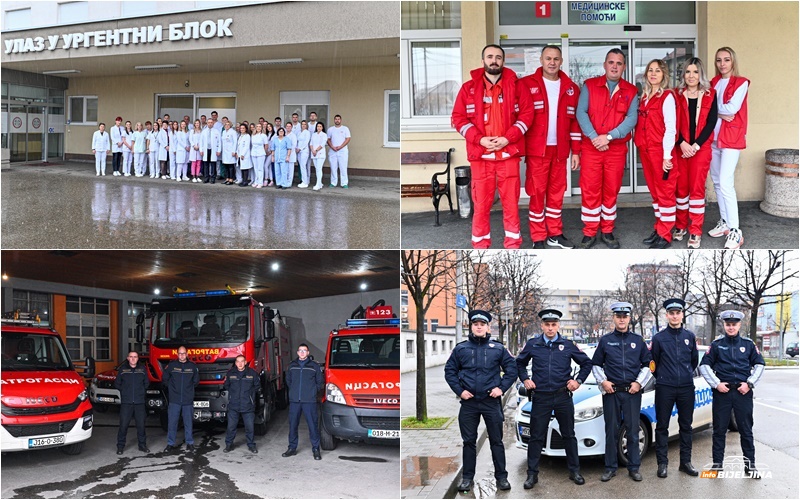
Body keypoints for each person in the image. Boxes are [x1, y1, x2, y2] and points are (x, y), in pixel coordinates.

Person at [451, 45, 533, 249]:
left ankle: (513, 246)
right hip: (482, 157)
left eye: (498, 57)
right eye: (490, 57)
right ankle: (480, 246)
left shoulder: (517, 86)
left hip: (508, 155)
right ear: (483, 61)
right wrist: (479, 140)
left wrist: (508, 138)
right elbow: (458, 119)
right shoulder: (468, 88)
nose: (494, 60)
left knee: (511, 205)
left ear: (503, 61)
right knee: (480, 206)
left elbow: (527, 114)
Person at [515, 308, 592, 488]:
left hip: (562, 396)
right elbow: (519, 363)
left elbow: (587, 363)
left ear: (558, 325)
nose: (550, 328)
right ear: (542, 325)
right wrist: (525, 379)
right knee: (536, 437)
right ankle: (532, 475)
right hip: (541, 397)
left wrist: (578, 380)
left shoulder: (568, 344)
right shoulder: (533, 344)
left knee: (569, 435)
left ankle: (574, 471)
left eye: (554, 324)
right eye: (547, 325)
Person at [444, 309, 517, 493]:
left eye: (482, 324)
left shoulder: (498, 348)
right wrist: (460, 391)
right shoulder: (461, 349)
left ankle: (501, 477)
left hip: (490, 402)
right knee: (469, 442)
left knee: (496, 441)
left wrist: (501, 388)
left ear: (487, 327)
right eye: (475, 324)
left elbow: (512, 370)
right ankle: (467, 478)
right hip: (469, 404)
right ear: (471, 326)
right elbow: (449, 371)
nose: (478, 327)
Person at [518, 45, 582, 249]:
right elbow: (518, 116)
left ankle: (555, 233)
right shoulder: (526, 84)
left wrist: (576, 151)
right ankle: (538, 236)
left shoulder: (571, 87)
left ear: (561, 61)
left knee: (556, 193)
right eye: (548, 58)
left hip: (560, 150)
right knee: (537, 194)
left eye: (556, 59)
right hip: (538, 150)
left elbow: (574, 122)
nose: (552, 62)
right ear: (541, 60)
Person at [576, 49, 639, 249]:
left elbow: (632, 119)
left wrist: (609, 137)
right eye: (611, 62)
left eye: (619, 63)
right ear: (604, 65)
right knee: (590, 189)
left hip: (615, 149)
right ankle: (589, 231)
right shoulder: (590, 85)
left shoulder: (631, 91)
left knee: (611, 189)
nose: (614, 66)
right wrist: (595, 137)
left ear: (624, 67)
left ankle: (607, 230)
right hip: (592, 147)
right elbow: (581, 112)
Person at [591, 301, 652, 482]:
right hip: (612, 393)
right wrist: (603, 381)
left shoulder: (638, 341)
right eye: (618, 316)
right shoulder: (606, 340)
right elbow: (595, 364)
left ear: (629, 318)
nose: (622, 319)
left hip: (632, 392)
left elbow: (648, 365)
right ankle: (610, 467)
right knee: (611, 430)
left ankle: (634, 467)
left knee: (633, 431)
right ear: (614, 318)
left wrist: (639, 383)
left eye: (625, 316)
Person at [699, 310, 765, 478]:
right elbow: (704, 365)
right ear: (723, 325)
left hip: (743, 393)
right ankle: (717, 466)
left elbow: (759, 364)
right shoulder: (716, 345)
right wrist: (716, 384)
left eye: (733, 324)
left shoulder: (748, 344)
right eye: (728, 324)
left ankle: (750, 467)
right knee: (719, 431)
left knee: (746, 430)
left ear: (739, 325)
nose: (730, 327)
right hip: (723, 393)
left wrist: (749, 384)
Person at [650, 298, 699, 478]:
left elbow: (694, 361)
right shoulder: (659, 338)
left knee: (686, 426)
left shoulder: (689, 337)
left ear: (682, 315)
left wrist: (684, 375)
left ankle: (685, 462)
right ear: (667, 315)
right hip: (665, 387)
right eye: (671, 313)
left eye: (678, 313)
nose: (675, 316)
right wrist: (664, 377)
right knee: (662, 426)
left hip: (686, 387)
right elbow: (653, 363)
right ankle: (662, 464)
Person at [674, 58, 718, 249]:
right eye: (688, 72)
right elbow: (671, 122)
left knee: (697, 190)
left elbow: (711, 122)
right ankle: (681, 225)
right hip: (681, 148)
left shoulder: (710, 94)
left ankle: (695, 229)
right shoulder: (676, 94)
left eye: (695, 72)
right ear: (683, 74)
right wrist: (682, 143)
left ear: (701, 74)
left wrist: (696, 145)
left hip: (700, 149)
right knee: (681, 189)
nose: (691, 76)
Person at [708, 47, 749, 249]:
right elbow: (707, 107)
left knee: (725, 182)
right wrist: (719, 113)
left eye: (726, 59)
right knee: (716, 181)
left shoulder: (741, 83)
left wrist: (717, 111)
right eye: (718, 60)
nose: (722, 64)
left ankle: (735, 230)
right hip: (713, 138)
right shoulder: (713, 83)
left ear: (733, 61)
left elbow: (733, 108)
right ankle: (724, 222)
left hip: (731, 138)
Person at [635, 59, 677, 249]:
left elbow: (670, 128)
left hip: (660, 152)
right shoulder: (644, 96)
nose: (653, 74)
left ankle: (666, 234)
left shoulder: (667, 97)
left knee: (665, 193)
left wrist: (667, 155)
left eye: (657, 71)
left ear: (663, 75)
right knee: (655, 193)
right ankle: (659, 228)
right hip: (645, 149)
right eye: (650, 70)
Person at [282, 343, 324, 460]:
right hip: (295, 401)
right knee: (293, 425)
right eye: (300, 350)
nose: (302, 352)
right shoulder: (292, 365)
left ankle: (316, 449)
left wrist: (312, 391)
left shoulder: (314, 366)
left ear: (308, 353)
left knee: (312, 425)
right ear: (297, 352)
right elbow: (288, 380)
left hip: (309, 401)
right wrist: (294, 391)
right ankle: (292, 448)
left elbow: (320, 382)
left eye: (304, 350)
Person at [162, 346, 199, 452]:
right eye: (180, 353)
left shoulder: (192, 366)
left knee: (188, 423)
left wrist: (188, 390)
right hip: (174, 400)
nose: (182, 355)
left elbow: (196, 381)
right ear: (177, 354)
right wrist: (171, 388)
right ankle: (170, 444)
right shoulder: (172, 365)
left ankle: (190, 443)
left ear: (187, 354)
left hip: (187, 400)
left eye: (183, 353)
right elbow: (165, 378)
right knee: (172, 423)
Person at [114, 351, 150, 454]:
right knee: (123, 425)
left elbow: (146, 383)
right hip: (127, 403)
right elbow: (117, 384)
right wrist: (125, 392)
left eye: (135, 357)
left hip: (140, 403)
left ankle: (142, 445)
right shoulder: (123, 369)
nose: (133, 359)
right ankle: (120, 447)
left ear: (138, 358)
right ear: (128, 358)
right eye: (131, 357)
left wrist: (141, 392)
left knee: (141, 425)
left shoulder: (142, 369)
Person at [223, 355, 259, 454]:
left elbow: (257, 386)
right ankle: (229, 445)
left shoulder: (252, 373)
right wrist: (233, 395)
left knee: (250, 427)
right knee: (231, 427)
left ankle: (251, 445)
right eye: (238, 361)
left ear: (246, 362)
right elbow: (226, 386)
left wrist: (249, 396)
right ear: (235, 363)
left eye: (242, 361)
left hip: (247, 406)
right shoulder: (231, 373)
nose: (240, 363)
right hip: (234, 405)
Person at [327, 114, 352, 188]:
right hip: (333, 151)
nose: (337, 120)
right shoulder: (330, 129)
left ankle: (344, 183)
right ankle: (333, 183)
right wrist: (332, 147)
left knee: (343, 167)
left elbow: (348, 139)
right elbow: (328, 139)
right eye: (336, 119)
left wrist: (340, 147)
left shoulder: (345, 129)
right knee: (333, 167)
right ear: (334, 120)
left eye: (338, 119)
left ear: (341, 120)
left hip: (342, 151)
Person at [202, 118, 222, 183]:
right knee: (206, 164)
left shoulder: (216, 131)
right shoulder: (204, 131)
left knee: (213, 164)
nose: (210, 124)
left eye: (211, 122)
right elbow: (201, 141)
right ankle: (206, 178)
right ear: (207, 123)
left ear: (213, 123)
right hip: (206, 149)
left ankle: (213, 178)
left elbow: (219, 141)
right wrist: (201, 150)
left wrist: (219, 150)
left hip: (213, 150)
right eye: (209, 122)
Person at [310, 122, 327, 191]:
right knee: (317, 168)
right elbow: (311, 143)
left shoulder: (324, 135)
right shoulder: (314, 135)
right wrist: (313, 150)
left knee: (318, 169)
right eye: (318, 126)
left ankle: (318, 184)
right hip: (314, 153)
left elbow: (322, 144)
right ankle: (320, 183)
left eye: (320, 126)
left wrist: (316, 150)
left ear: (322, 127)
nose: (319, 128)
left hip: (320, 153)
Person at [250, 123, 268, 188]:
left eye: (260, 126)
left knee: (260, 168)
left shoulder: (263, 135)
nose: (258, 128)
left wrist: (264, 151)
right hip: (254, 153)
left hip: (261, 153)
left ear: (261, 128)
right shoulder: (253, 135)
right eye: (257, 126)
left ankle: (260, 182)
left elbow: (266, 145)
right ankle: (256, 181)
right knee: (255, 168)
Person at [221, 120, 238, 185]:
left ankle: (231, 179)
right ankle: (227, 178)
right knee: (226, 165)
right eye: (226, 125)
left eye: (228, 124)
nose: (227, 126)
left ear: (230, 125)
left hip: (231, 151)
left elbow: (235, 142)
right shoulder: (223, 132)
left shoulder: (233, 132)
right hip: (225, 151)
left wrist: (234, 151)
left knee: (231, 166)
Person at [296, 120, 311, 188]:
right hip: (298, 151)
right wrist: (296, 148)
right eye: (302, 124)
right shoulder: (299, 132)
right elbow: (297, 141)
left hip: (304, 151)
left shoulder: (307, 132)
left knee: (303, 166)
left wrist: (300, 148)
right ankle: (303, 180)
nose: (303, 125)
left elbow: (306, 142)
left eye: (305, 124)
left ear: (306, 125)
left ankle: (305, 182)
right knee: (301, 166)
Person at [284, 123, 298, 188]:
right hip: (284, 154)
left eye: (290, 126)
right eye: (287, 126)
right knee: (285, 169)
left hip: (291, 154)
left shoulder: (293, 135)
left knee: (290, 170)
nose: (288, 127)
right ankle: (285, 181)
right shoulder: (284, 134)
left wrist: (288, 153)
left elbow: (293, 145)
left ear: (291, 127)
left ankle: (289, 182)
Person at [264, 122, 276, 187]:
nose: (269, 128)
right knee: (269, 167)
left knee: (265, 165)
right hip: (267, 152)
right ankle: (271, 180)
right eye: (267, 127)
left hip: (271, 153)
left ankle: (266, 179)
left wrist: (270, 152)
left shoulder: (275, 135)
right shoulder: (267, 134)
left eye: (270, 127)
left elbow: (274, 145)